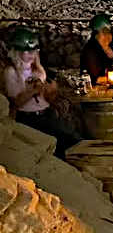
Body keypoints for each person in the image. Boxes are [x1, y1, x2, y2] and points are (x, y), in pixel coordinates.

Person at [2, 27, 81, 158]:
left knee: (71, 140)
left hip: (46, 114)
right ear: (17, 52)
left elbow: (47, 96)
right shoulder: (11, 72)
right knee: (56, 146)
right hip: (29, 118)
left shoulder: (36, 70)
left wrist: (51, 91)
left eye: (33, 51)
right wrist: (34, 90)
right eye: (27, 51)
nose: (31, 55)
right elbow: (16, 102)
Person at [80, 13, 113, 84]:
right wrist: (111, 79)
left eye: (108, 32)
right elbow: (93, 79)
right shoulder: (90, 51)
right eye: (103, 33)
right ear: (96, 36)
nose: (106, 36)